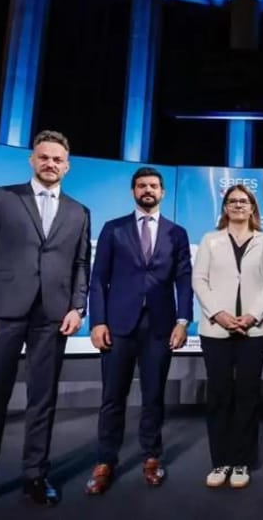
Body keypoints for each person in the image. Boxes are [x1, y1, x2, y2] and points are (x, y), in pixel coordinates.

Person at [0, 130, 91, 519]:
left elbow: (80, 264)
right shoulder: (1, 197)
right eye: (44, 157)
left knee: (43, 400)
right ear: (32, 160)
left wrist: (78, 306)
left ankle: (35, 476)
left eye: (58, 159)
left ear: (67, 165)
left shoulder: (79, 211)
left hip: (54, 316)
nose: (50, 164)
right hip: (2, 311)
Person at [83, 167, 193, 495]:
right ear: (133, 191)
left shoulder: (177, 233)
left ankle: (151, 456)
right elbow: (98, 279)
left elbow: (184, 279)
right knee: (112, 397)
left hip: (160, 326)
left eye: (154, 186)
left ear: (163, 192)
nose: (148, 190)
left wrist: (183, 321)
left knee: (154, 396)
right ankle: (105, 460)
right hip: (117, 326)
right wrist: (98, 321)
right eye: (142, 185)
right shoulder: (113, 229)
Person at [192, 184, 263, 489]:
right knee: (220, 395)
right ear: (225, 207)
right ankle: (221, 460)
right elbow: (199, 280)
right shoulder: (210, 240)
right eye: (232, 201)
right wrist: (219, 314)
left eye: (244, 201)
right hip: (216, 329)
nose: (238, 205)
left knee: (248, 396)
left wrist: (252, 315)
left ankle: (242, 461)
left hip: (254, 330)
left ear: (252, 207)